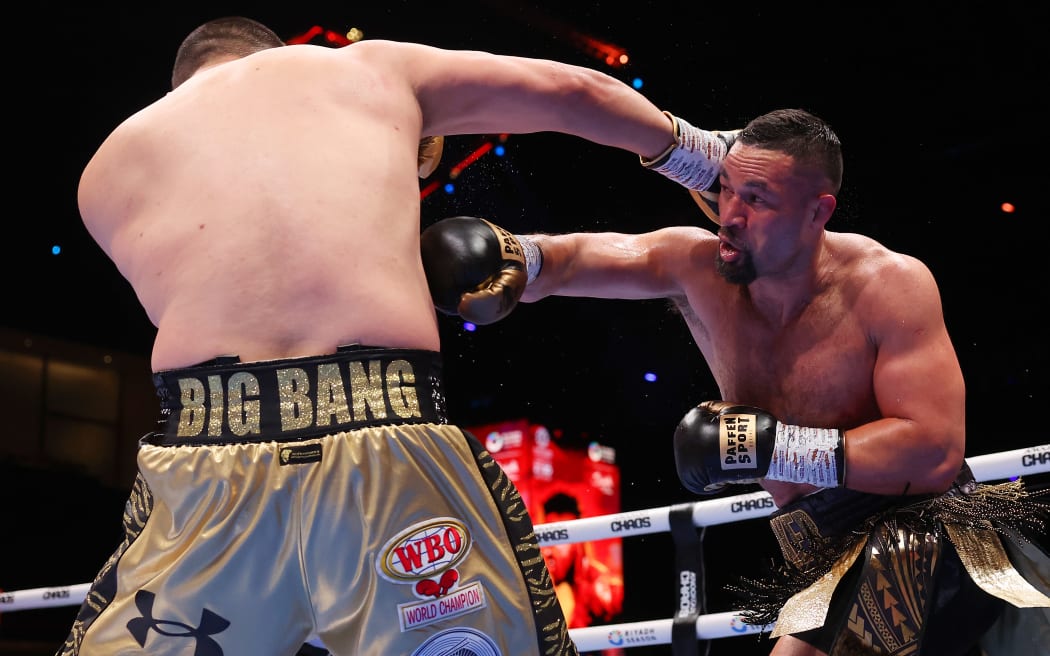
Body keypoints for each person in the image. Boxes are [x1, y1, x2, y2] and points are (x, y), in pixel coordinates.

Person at [64, 15, 736, 656]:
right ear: (273, 51)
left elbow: (236, 287)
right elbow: (568, 90)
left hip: (207, 464)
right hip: (386, 440)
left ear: (180, 86)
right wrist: (703, 160)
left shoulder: (105, 171)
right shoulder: (364, 69)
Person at [421, 108, 1050, 655]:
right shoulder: (697, 268)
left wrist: (776, 446)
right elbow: (584, 257)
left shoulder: (887, 284)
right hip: (824, 554)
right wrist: (513, 258)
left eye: (757, 199)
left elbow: (935, 450)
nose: (730, 215)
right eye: (725, 191)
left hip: (926, 538)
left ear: (817, 212)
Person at [539, 492, 624, 632]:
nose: (555, 547)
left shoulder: (595, 577)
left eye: (561, 537)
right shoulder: (537, 571)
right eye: (550, 537)